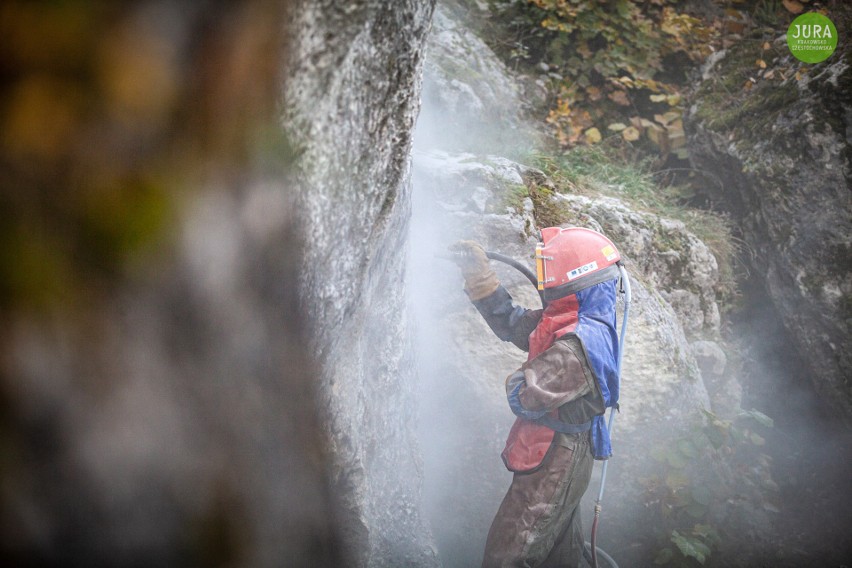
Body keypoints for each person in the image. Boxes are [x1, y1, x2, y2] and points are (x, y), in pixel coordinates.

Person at [451, 227, 622, 568]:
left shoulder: (579, 343)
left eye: (549, 271)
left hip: (560, 458)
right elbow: (517, 326)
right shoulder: (572, 318)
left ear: (574, 278)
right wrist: (482, 283)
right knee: (560, 557)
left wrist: (522, 373)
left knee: (509, 554)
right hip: (562, 450)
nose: (544, 280)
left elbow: (525, 395)